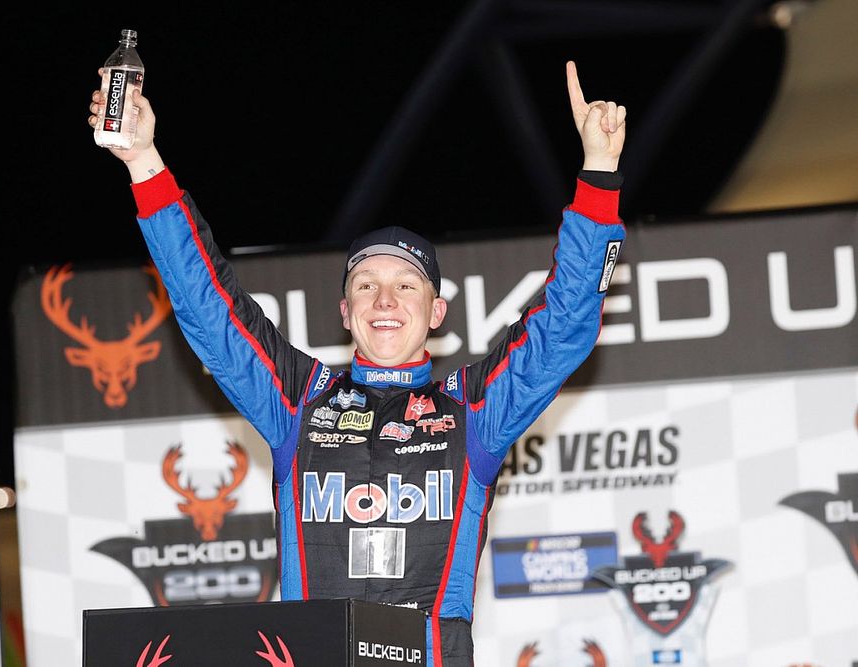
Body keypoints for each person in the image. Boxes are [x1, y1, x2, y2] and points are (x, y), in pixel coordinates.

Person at [88, 60, 626, 667]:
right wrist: (143, 162)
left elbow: (565, 327)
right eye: (367, 285)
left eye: (407, 286)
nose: (386, 300)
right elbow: (210, 311)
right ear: (345, 311)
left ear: (437, 311)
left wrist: (599, 176)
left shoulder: (474, 408)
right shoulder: (298, 399)